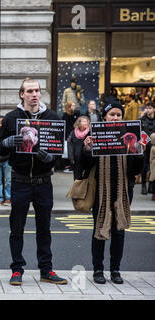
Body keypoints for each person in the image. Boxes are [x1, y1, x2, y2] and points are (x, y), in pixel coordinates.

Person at [0, 78, 68, 286]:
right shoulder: (12, 118)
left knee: (44, 228)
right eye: (29, 91)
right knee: (17, 227)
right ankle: (17, 269)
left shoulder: (52, 117)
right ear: (22, 94)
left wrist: (52, 160)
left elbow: (59, 152)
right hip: (19, 180)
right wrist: (6, 142)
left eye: (37, 90)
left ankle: (46, 269)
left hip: (43, 181)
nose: (34, 94)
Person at [81, 101, 145, 285]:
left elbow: (135, 170)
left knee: (119, 232)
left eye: (118, 115)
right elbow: (83, 165)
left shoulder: (130, 136)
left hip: (124, 191)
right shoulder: (95, 135)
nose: (115, 118)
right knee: (100, 229)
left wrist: (139, 154)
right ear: (104, 117)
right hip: (100, 191)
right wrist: (86, 150)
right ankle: (98, 269)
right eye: (112, 115)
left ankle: (115, 270)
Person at [67, 116, 90, 180]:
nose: (86, 123)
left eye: (87, 122)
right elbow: (70, 145)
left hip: (87, 160)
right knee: (77, 179)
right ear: (79, 123)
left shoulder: (90, 132)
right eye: (84, 121)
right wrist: (71, 158)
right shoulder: (73, 133)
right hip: (76, 160)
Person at [139, 103, 154, 195]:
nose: (148, 110)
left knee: (153, 167)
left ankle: (152, 187)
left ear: (154, 109)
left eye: (150, 108)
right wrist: (141, 115)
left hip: (154, 147)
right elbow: (136, 126)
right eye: (147, 108)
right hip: (145, 145)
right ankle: (143, 185)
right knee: (144, 166)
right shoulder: (143, 119)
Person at [62, 101, 80, 172]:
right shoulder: (65, 115)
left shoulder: (76, 114)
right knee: (67, 151)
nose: (74, 107)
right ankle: (67, 166)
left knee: (73, 151)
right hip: (67, 135)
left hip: (74, 134)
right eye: (72, 105)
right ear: (69, 107)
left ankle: (72, 166)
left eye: (74, 105)